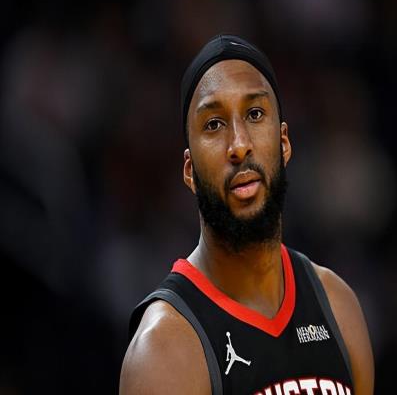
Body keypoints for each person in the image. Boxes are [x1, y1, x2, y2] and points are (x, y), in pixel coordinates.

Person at [120, 35, 374, 395]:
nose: (239, 145)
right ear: (189, 171)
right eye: (214, 124)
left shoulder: (338, 306)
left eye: (255, 114)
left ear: (283, 143)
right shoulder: (164, 349)